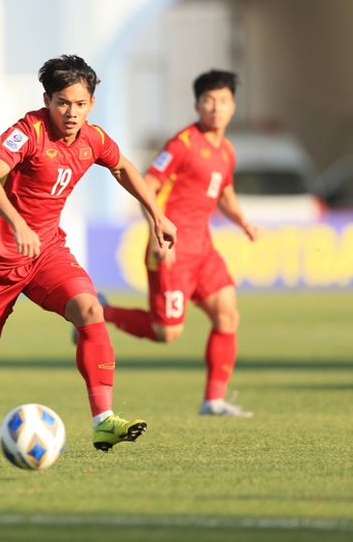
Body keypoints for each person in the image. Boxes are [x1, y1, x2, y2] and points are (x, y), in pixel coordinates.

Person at [0, 55, 177, 452]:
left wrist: (157, 215)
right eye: (63, 103)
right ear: (47, 100)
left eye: (80, 104)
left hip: (47, 250)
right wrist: (17, 224)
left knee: (90, 309)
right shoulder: (27, 132)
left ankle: (103, 420)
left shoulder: (94, 138)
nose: (71, 112)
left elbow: (123, 168)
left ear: (91, 104)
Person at [96, 70, 260, 417]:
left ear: (233, 106)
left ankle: (213, 401)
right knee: (165, 332)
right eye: (209, 101)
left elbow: (225, 193)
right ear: (197, 105)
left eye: (224, 101)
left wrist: (243, 221)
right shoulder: (182, 144)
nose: (216, 108)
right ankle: (100, 311)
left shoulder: (226, 151)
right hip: (171, 251)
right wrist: (159, 233)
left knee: (228, 316)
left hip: (203, 250)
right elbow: (147, 187)